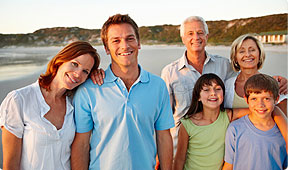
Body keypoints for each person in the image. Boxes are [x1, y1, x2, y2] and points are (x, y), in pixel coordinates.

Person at [161, 16, 288, 156]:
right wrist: (159, 152)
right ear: (183, 38)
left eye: (200, 32)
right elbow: (163, 117)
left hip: (221, 148)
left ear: (207, 36)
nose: (196, 37)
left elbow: (251, 77)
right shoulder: (170, 72)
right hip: (180, 147)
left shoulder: (224, 66)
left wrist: (277, 81)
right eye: (190, 33)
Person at [71, 14, 174, 170]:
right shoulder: (89, 89)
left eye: (130, 38)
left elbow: (164, 137)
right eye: (116, 41)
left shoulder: (158, 86)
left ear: (139, 43)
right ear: (106, 48)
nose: (125, 46)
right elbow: (81, 144)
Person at [0, 41, 100, 170]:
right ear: (60, 60)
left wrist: (98, 75)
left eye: (85, 71)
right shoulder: (19, 100)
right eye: (74, 64)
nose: (77, 74)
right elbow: (11, 165)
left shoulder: (75, 103)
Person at [223, 74, 287, 170]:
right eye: (254, 99)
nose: (260, 104)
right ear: (246, 99)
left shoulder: (282, 132)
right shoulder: (235, 129)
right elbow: (229, 166)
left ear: (276, 99)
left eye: (266, 98)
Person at [224, 33, 287, 115]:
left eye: (252, 50)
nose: (247, 55)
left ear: (260, 53)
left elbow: (283, 121)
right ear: (235, 58)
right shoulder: (227, 85)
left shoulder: (275, 85)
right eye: (242, 51)